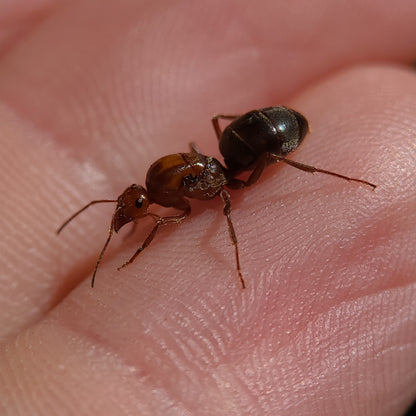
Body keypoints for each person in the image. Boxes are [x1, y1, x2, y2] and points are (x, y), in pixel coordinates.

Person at [0, 1, 415, 414]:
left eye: (136, 206)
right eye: (134, 206)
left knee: (268, 160)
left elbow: (185, 205)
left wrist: (230, 258)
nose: (136, 209)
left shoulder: (181, 193)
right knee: (221, 127)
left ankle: (341, 178)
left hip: (268, 137)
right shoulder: (164, 181)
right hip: (235, 144)